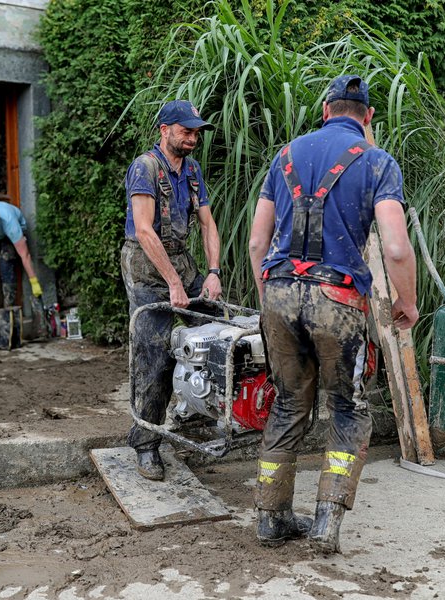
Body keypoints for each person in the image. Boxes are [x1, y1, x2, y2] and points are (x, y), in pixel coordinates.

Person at [248, 75, 418, 552]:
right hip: (337, 299)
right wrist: (407, 302)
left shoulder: (283, 156)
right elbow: (397, 248)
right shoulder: (378, 161)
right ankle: (325, 524)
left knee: (286, 403)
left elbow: (258, 243)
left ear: (325, 111)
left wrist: (271, 296)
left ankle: (270, 519)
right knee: (346, 406)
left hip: (278, 291)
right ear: (367, 118)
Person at [122, 100, 223, 481]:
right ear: (164, 130)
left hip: (181, 260)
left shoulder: (193, 170)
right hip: (148, 267)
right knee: (155, 352)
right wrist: (174, 283)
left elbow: (207, 224)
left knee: (223, 327)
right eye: (186, 131)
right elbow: (145, 231)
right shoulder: (144, 168)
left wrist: (212, 273)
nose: (193, 138)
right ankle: (145, 443)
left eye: (196, 132)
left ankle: (202, 407)